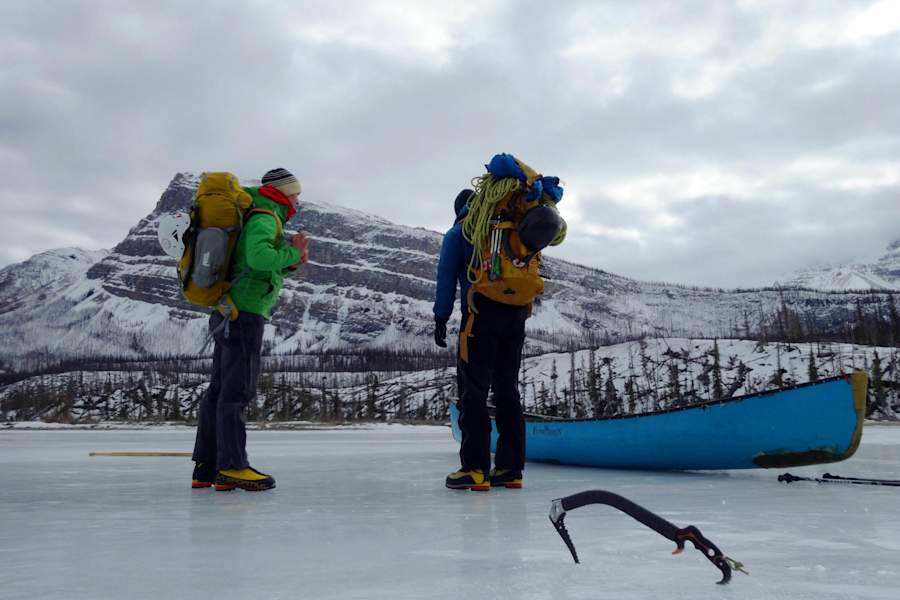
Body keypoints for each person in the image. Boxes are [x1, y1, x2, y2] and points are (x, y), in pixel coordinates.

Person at [191, 168, 309, 491]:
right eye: (296, 195)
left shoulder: (255, 213)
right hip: (245, 312)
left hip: (228, 309)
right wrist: (294, 252)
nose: (298, 201)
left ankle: (206, 467)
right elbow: (258, 258)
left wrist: (288, 262)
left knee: (219, 390)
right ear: (284, 193)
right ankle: (232, 467)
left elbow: (251, 261)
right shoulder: (266, 216)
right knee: (236, 391)